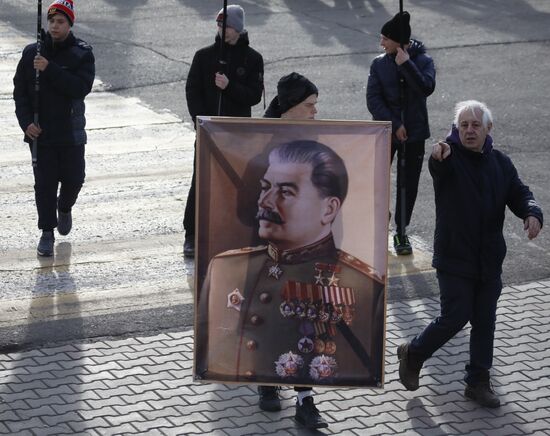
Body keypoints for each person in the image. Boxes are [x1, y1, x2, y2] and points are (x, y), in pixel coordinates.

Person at [196, 137, 385, 430]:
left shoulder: (364, 285)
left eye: (285, 192)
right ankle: (267, 383)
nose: (265, 201)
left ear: (329, 208)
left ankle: (304, 401)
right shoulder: (224, 269)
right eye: (266, 188)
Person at [396, 100, 543, 408]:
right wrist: (438, 157)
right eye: (463, 125)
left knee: (485, 320)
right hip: (454, 256)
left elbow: (519, 192)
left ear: (488, 129)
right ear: (456, 129)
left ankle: (477, 382)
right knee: (456, 315)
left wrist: (531, 213)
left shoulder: (501, 163)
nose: (469, 130)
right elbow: (438, 165)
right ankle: (415, 352)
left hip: (489, 258)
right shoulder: (449, 157)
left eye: (476, 125)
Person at [13, 0, 95, 257]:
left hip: (70, 134)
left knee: (74, 180)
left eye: (61, 22)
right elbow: (21, 94)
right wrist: (26, 124)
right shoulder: (31, 53)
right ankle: (46, 231)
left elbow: (80, 88)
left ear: (70, 24)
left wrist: (50, 69)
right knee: (44, 185)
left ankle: (65, 207)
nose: (55, 26)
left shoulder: (82, 53)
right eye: (52, 21)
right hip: (42, 135)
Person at [183, 4, 264, 258]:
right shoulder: (203, 56)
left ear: (238, 29)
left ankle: (233, 232)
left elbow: (252, 96)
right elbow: (192, 90)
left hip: (237, 135)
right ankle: (192, 234)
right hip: (208, 132)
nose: (221, 30)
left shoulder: (253, 59)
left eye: (226, 26)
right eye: (219, 25)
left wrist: (229, 86)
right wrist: (200, 122)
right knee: (201, 182)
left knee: (237, 184)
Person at [366, 11, 435, 255]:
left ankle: (401, 231)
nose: (381, 43)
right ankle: (378, 220)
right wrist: (395, 124)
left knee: (408, 184)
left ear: (399, 41)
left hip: (415, 135)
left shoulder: (423, 61)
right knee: (377, 179)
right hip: (387, 132)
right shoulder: (378, 63)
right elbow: (373, 100)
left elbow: (426, 88)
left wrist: (406, 65)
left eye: (385, 39)